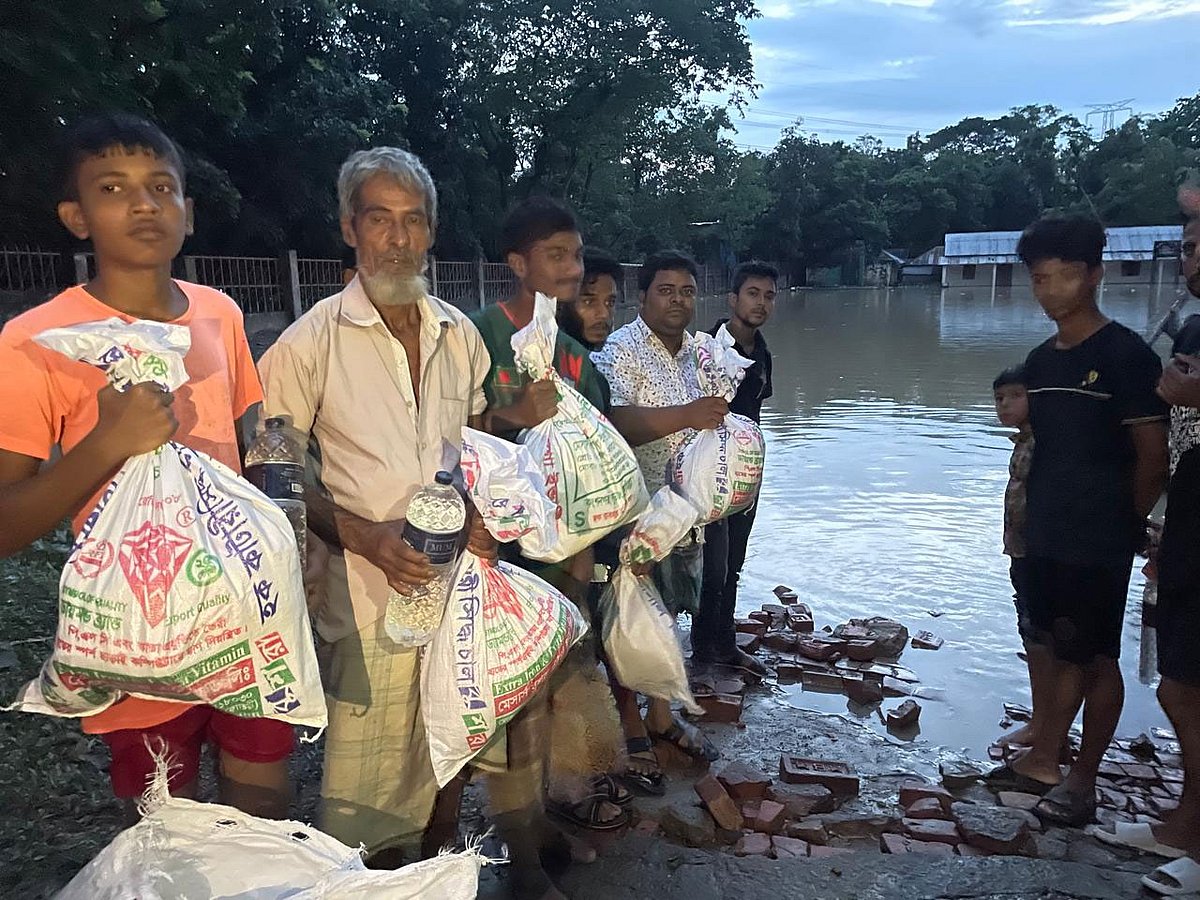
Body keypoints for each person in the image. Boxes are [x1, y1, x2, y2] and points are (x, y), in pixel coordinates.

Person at [257, 149, 553, 886]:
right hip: (366, 595)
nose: (397, 238)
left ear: (432, 231)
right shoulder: (307, 343)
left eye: (412, 221)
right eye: (379, 219)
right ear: (349, 228)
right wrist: (365, 536)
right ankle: (372, 882)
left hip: (461, 590)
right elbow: (275, 476)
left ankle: (435, 872)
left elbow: (480, 440)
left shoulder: (458, 335)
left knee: (453, 742)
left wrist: (486, 512)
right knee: (369, 783)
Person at [0, 114, 293, 824]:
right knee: (167, 826)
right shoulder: (34, 342)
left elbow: (260, 448)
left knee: (261, 809)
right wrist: (105, 446)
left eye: (162, 187)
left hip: (244, 617)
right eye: (113, 187)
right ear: (76, 217)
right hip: (140, 630)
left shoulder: (219, 315)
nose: (143, 204)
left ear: (188, 215)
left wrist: (290, 535)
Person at [995, 215, 1168, 829]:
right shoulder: (1041, 364)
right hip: (1044, 533)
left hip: (1098, 540)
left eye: (1064, 277)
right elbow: (1042, 449)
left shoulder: (1126, 357)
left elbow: (1153, 458)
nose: (1051, 292)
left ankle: (1083, 780)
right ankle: (1046, 756)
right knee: (1051, 646)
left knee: (1094, 659)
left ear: (1094, 274)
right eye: (1041, 279)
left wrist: (1124, 524)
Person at [469, 197, 630, 844]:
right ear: (517, 263)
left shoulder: (576, 358)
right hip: (488, 555)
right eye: (556, 254)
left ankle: (550, 808)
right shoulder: (472, 337)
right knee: (501, 692)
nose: (572, 267)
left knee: (557, 677)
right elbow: (435, 439)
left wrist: (588, 549)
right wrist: (512, 415)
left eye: (577, 253)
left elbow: (593, 467)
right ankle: (512, 831)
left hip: (559, 553)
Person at [592, 249, 724, 788]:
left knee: (669, 615)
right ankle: (631, 723)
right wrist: (686, 416)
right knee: (628, 619)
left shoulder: (703, 354)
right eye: (666, 290)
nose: (678, 300)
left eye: (687, 291)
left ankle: (663, 716)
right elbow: (610, 422)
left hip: (688, 515)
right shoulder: (617, 351)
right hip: (634, 512)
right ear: (642, 297)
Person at [1096, 212, 1200, 894]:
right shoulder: (1191, 325)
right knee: (1180, 680)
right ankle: (1186, 823)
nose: (1190, 256)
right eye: (1188, 244)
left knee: (1185, 685)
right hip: (1188, 520)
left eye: (1198, 245)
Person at [693, 261, 778, 678]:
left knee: (735, 561)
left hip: (746, 476)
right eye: (753, 293)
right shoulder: (705, 348)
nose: (761, 303)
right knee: (713, 563)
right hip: (711, 474)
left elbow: (755, 416)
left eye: (768, 295)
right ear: (733, 299)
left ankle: (720, 641)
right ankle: (706, 646)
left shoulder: (762, 353)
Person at [992, 365, 1041, 746]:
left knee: (1041, 637)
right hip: (1021, 550)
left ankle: (1046, 724)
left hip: (1038, 552)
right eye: (999, 399)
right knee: (1032, 633)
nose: (1005, 405)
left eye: (1015, 396)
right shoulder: (1024, 441)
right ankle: (1044, 719)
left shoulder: (1046, 444)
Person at [558, 249, 622, 351]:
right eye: (589, 302)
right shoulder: (537, 359)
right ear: (561, 303)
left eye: (610, 302)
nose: (604, 314)